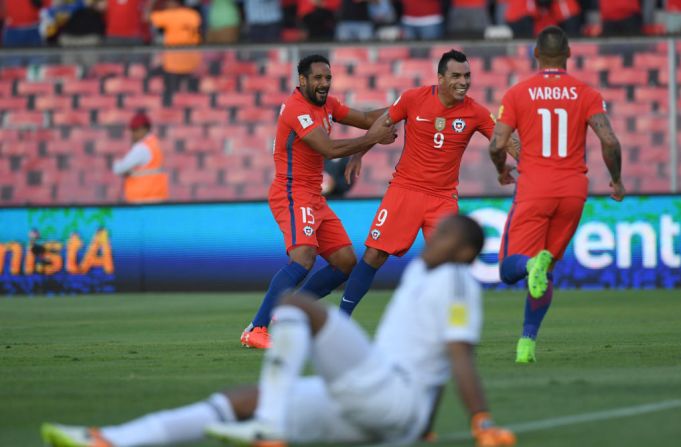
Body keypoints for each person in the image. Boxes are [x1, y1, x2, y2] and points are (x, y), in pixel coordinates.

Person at [41, 214, 517, 447]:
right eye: (438, 233)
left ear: (465, 253)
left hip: (391, 393)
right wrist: (422, 430)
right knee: (239, 398)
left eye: (447, 237)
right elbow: (431, 359)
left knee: (296, 306)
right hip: (380, 405)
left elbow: (458, 356)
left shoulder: (456, 283)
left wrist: (481, 421)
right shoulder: (424, 273)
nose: (434, 239)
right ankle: (114, 440)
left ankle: (268, 425)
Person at [337, 49, 519, 316]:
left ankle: (449, 328)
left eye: (467, 76)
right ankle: (342, 318)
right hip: (405, 189)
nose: (463, 82)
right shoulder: (413, 98)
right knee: (375, 255)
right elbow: (382, 123)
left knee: (452, 266)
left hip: (443, 198)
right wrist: (358, 153)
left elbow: (507, 141)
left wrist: (531, 161)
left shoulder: (476, 112)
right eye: (456, 76)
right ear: (441, 78)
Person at [239, 54, 396, 349]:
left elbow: (364, 118)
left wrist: (406, 107)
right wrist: (372, 138)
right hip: (292, 192)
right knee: (303, 259)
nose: (324, 83)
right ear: (302, 80)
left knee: (345, 262)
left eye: (327, 78)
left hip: (314, 197)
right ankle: (257, 327)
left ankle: (288, 312)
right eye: (318, 78)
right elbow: (329, 148)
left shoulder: (327, 105)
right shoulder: (297, 109)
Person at [489, 25, 624, 364]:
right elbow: (609, 141)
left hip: (535, 188)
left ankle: (531, 266)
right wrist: (617, 180)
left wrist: (501, 169)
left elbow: (496, 144)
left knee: (509, 269)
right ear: (568, 54)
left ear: (536, 54)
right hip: (573, 192)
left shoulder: (518, 94)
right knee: (544, 271)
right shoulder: (587, 93)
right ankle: (527, 343)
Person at [149, 0, 201, 106]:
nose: (167, 5)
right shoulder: (193, 14)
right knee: (193, 95)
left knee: (171, 96)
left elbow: (149, 17)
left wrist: (152, 3)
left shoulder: (170, 15)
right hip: (192, 62)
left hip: (174, 64)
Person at [112, 112, 170, 204]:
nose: (132, 134)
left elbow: (119, 169)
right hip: (156, 198)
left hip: (142, 200)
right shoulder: (154, 144)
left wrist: (116, 163)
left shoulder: (142, 148)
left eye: (135, 130)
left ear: (143, 129)